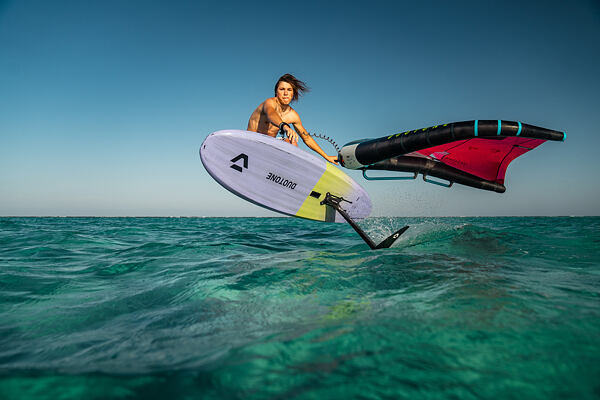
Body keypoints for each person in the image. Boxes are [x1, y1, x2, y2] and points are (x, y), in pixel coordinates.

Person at [247, 74, 338, 164]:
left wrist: (326, 156)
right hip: (251, 142)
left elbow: (306, 138)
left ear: (293, 93)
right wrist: (285, 127)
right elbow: (271, 114)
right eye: (282, 89)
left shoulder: (293, 115)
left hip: (269, 145)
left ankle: (285, 169)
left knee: (291, 142)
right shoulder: (269, 103)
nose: (285, 93)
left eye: (289, 90)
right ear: (276, 92)